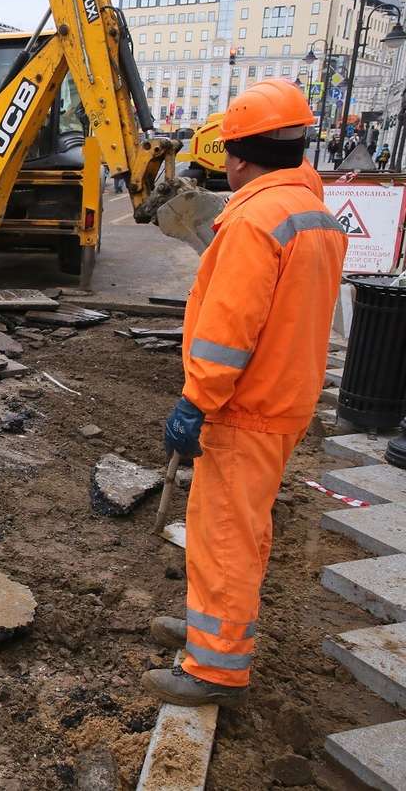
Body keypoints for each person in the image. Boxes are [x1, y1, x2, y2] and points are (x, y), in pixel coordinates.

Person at [144, 78, 347, 707]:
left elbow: (227, 334)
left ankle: (215, 667)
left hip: (244, 407)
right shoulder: (311, 213)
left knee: (224, 534)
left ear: (236, 156)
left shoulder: (254, 220)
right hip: (285, 401)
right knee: (239, 528)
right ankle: (211, 624)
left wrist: (195, 401)